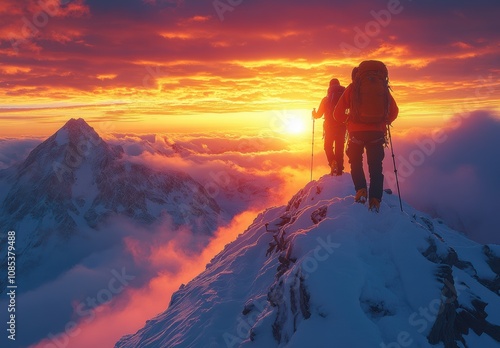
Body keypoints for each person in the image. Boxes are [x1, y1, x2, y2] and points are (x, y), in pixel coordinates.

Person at [334, 61, 398, 212]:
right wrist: (384, 121)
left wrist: (348, 120)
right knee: (376, 167)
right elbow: (394, 111)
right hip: (377, 133)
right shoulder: (383, 88)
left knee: (356, 162)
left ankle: (361, 190)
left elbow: (337, 114)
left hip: (356, 133)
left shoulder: (352, 88)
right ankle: (375, 200)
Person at [312, 78, 346, 176]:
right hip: (342, 127)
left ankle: (332, 162)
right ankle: (339, 169)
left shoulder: (326, 99)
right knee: (339, 148)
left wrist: (314, 114)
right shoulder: (343, 98)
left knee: (328, 147)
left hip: (329, 127)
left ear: (329, 87)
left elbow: (318, 115)